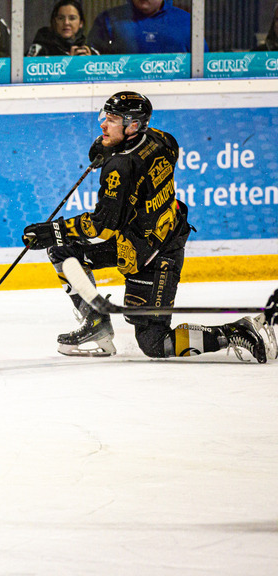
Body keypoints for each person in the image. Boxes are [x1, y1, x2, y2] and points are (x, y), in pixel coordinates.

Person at [22, 91, 272, 364]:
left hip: (158, 252)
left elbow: (103, 226)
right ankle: (96, 323)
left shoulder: (120, 166)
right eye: (105, 117)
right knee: (63, 251)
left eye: (112, 119)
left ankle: (235, 331)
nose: (103, 124)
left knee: (155, 343)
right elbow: (156, 157)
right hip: (136, 238)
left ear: (132, 126)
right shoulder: (162, 138)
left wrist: (53, 231)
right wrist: (113, 149)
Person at [87, 0, 194, 55]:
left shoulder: (186, 21)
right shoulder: (108, 20)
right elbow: (93, 61)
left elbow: (201, 65)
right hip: (124, 89)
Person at [26, 0, 98, 57]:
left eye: (72, 18)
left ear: (81, 23)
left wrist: (90, 63)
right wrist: (69, 62)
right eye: (60, 18)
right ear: (54, 22)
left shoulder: (91, 52)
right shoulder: (40, 50)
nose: (66, 23)